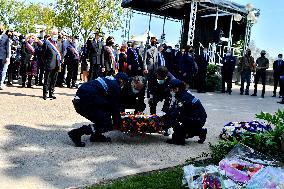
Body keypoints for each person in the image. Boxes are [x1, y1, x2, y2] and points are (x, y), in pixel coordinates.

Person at [68, 72, 134, 147]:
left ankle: (96, 135)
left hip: (82, 100)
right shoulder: (115, 86)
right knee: (107, 123)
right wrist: (119, 123)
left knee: (104, 115)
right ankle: (76, 133)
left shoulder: (110, 80)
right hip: (85, 102)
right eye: (124, 83)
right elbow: (114, 107)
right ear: (121, 81)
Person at [163, 79, 207, 145]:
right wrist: (164, 116)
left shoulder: (184, 97)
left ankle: (180, 138)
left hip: (198, 120)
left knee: (174, 118)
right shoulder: (181, 93)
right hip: (194, 117)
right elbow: (173, 108)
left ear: (177, 88)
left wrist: (165, 120)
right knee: (172, 116)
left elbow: (176, 113)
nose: (171, 91)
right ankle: (200, 132)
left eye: (172, 89)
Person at [42, 28, 62, 100]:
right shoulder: (47, 43)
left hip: (57, 64)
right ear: (51, 34)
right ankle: (45, 94)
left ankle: (51, 93)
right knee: (47, 79)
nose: (55, 36)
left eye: (56, 34)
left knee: (54, 80)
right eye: (54, 34)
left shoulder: (59, 43)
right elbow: (43, 55)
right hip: (49, 64)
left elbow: (60, 53)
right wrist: (46, 62)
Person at [0, 25, 11, 90]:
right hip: (3, 56)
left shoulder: (5, 37)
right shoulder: (5, 37)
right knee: (3, 70)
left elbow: (8, 48)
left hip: (3, 56)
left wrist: (8, 57)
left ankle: (1, 83)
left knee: (3, 70)